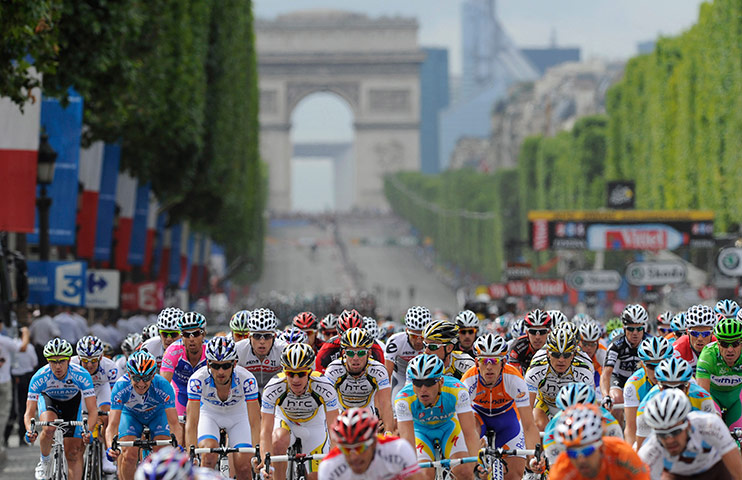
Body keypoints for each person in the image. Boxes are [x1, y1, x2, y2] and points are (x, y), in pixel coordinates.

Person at [460, 334, 539, 480]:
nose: (489, 367)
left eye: (495, 361)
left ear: (503, 362)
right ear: (477, 362)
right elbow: (462, 424)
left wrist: (535, 457)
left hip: (506, 419)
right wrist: (473, 442)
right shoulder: (468, 380)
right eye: (484, 361)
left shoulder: (514, 378)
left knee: (515, 475)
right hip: (478, 416)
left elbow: (528, 425)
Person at [259, 343, 339, 480]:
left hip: (314, 425)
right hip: (286, 421)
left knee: (316, 477)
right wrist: (266, 463)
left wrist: (336, 456)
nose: (296, 380)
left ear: (309, 371)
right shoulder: (273, 388)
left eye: (301, 374)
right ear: (284, 371)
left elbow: (334, 428)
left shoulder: (325, 386)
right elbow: (266, 431)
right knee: (277, 440)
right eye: (290, 374)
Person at [395, 354, 480, 480]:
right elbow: (408, 443)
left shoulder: (457, 390)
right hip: (420, 432)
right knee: (423, 475)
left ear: (441, 381)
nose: (423, 389)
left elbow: (470, 433)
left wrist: (476, 465)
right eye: (418, 383)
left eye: (429, 383)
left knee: (465, 472)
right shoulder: (403, 400)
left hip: (449, 427)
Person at [186, 337, 260, 480]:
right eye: (215, 366)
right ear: (208, 364)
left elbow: (255, 421)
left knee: (244, 465)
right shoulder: (197, 379)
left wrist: (258, 452)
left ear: (234, 364)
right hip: (209, 414)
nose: (220, 371)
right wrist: (192, 452)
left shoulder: (247, 379)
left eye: (226, 366)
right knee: (208, 456)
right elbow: (192, 421)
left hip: (239, 415)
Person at [25, 338, 98, 480]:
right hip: (49, 400)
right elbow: (29, 412)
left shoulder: (82, 375)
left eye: (61, 361)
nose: (57, 366)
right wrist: (30, 430)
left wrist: (88, 430)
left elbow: (93, 410)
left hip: (72, 403)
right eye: (53, 361)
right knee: (49, 427)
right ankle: (44, 461)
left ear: (69, 361)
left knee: (73, 453)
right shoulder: (39, 377)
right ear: (48, 361)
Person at [106, 350, 181, 480]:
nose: (141, 384)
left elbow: (174, 423)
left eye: (146, 378)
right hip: (131, 415)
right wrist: (110, 448)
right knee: (129, 454)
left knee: (163, 453)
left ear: (153, 376)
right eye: (136, 378)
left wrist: (177, 445)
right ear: (129, 375)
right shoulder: (120, 387)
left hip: (157, 415)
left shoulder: (163, 385)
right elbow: (112, 425)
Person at [638, 389, 742, 480]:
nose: (669, 440)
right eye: (662, 435)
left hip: (714, 470)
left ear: (687, 425)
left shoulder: (710, 425)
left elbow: (738, 473)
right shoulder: (648, 452)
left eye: (675, 432)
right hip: (677, 476)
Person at [316, 407, 423, 480]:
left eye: (360, 448)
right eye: (346, 449)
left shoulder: (398, 449)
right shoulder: (329, 466)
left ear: (374, 442)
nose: (354, 457)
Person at [635, 357, 719, 448]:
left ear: (687, 387)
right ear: (660, 387)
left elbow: (715, 439)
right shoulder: (647, 406)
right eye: (667, 387)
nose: (673, 391)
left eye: (679, 387)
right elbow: (641, 448)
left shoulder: (703, 398)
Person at [550, 403, 649, 480]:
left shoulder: (622, 454)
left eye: (587, 450)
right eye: (572, 453)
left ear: (601, 446)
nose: (581, 460)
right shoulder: (561, 470)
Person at [324, 328, 394, 432]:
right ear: (344, 353)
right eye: (350, 353)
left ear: (369, 353)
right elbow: (327, 404)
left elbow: (385, 403)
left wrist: (389, 432)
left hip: (368, 413)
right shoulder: (333, 370)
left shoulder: (378, 370)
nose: (355, 358)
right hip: (341, 412)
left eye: (361, 353)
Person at [524, 329, 593, 430]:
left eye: (566, 355)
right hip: (544, 403)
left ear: (573, 355)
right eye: (556, 355)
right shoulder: (536, 368)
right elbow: (527, 409)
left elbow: (590, 408)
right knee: (538, 425)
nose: (561, 360)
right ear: (548, 353)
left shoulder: (584, 370)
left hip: (571, 406)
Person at [70, 335, 119, 473]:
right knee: (81, 422)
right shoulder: (72, 364)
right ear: (79, 358)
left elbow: (115, 394)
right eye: (85, 361)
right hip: (81, 392)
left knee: (106, 416)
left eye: (93, 361)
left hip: (101, 389)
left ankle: (105, 454)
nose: (89, 365)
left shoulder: (110, 367)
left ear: (101, 358)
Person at [542, 383, 623, 465]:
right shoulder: (552, 430)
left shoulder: (606, 419)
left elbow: (618, 454)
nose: (577, 418)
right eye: (570, 414)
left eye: (584, 412)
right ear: (562, 412)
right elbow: (556, 467)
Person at [601, 304, 650, 423]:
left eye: (639, 329)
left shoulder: (650, 342)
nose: (635, 333)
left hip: (640, 379)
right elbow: (606, 374)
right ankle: (618, 436)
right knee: (617, 400)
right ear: (624, 328)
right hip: (619, 378)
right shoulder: (616, 345)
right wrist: (606, 396)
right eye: (630, 329)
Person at [623, 336, 674, 446]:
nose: (657, 371)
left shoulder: (683, 381)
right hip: (647, 432)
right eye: (651, 366)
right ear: (643, 365)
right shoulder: (632, 385)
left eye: (661, 364)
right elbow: (631, 429)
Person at [696, 315, 742, 428]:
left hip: (738, 398)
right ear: (718, 344)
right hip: (713, 396)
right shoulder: (708, 355)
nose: (730, 349)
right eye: (725, 344)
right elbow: (703, 393)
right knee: (713, 426)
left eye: (735, 344)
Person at [160, 311, 207, 419]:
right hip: (181, 393)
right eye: (186, 335)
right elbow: (163, 385)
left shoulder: (209, 352)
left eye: (195, 334)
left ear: (203, 334)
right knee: (179, 428)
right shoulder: (172, 351)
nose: (191, 339)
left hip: (204, 395)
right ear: (182, 336)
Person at [235, 308, 286, 394]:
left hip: (275, 392)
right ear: (249, 336)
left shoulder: (284, 350)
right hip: (246, 392)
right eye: (257, 336)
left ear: (275, 336)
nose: (262, 341)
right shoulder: (238, 350)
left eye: (267, 336)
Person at [315, 309, 384, 373]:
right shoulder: (327, 349)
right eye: (346, 337)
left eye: (356, 336)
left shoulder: (375, 348)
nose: (351, 341)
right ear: (338, 333)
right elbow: (321, 379)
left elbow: (383, 376)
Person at [385, 305, 430, 402]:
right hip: (400, 377)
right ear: (406, 331)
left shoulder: (432, 342)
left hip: (424, 378)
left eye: (422, 337)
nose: (418, 341)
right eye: (414, 336)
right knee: (395, 405)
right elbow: (387, 375)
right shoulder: (395, 341)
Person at [5, 326, 37, 447]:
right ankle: (21, 437)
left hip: (13, 378)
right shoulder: (29, 347)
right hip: (26, 378)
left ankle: (6, 437)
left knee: (12, 408)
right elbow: (34, 362)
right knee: (25, 408)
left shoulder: (10, 345)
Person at [673, 304, 718, 372]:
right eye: (694, 333)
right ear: (687, 332)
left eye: (705, 334)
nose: (700, 338)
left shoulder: (718, 346)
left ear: (712, 333)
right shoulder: (678, 347)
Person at [509, 309, 552, 375]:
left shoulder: (554, 346)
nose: (537, 337)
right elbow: (514, 376)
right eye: (533, 332)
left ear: (548, 333)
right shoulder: (518, 346)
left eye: (542, 332)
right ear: (527, 333)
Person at [141, 306, 183, 372]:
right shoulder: (149, 347)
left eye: (173, 334)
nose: (169, 339)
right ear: (159, 334)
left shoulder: (189, 347)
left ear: (182, 335)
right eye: (165, 334)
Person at [578, 321, 606, 388]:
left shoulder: (602, 352)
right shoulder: (575, 351)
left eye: (593, 344)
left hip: (596, 375)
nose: (589, 348)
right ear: (579, 342)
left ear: (597, 343)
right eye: (585, 344)